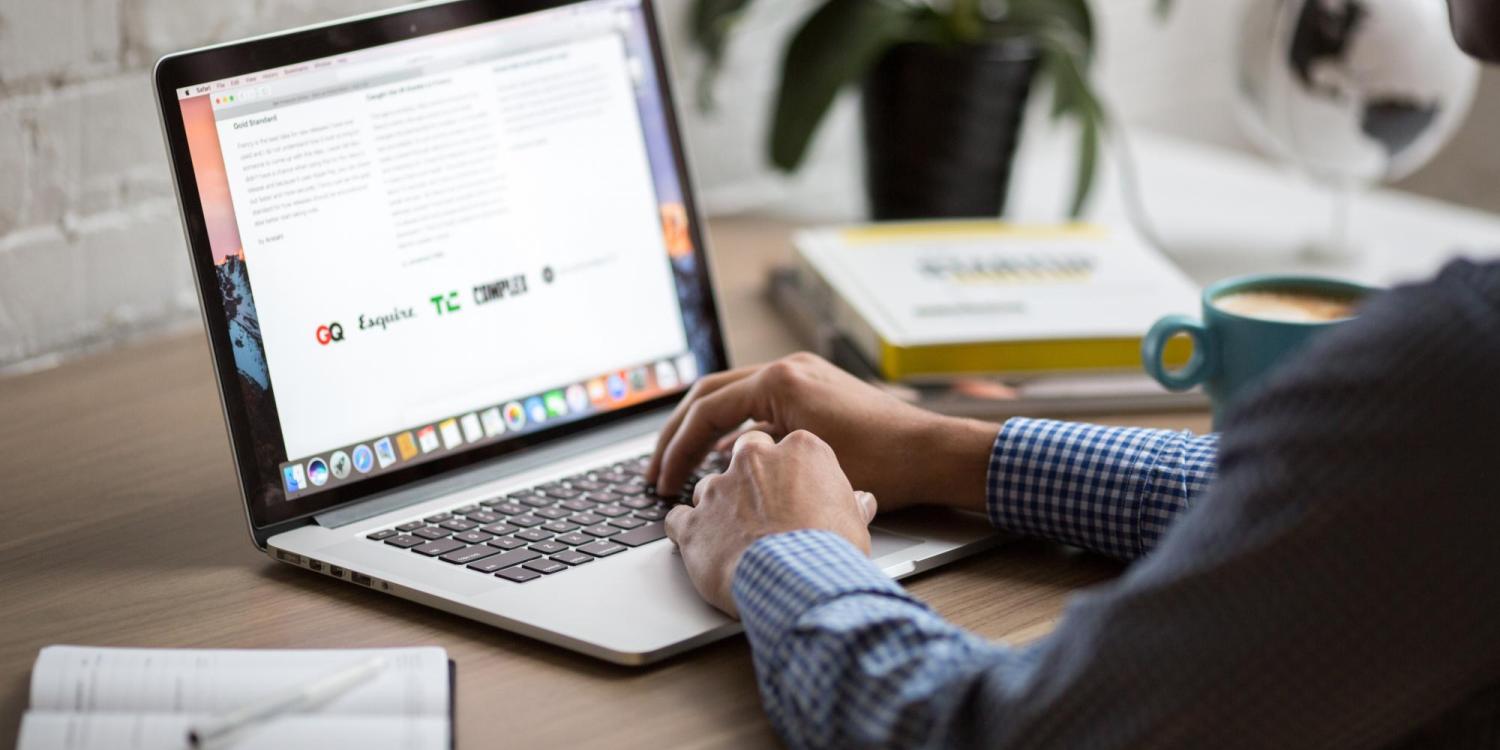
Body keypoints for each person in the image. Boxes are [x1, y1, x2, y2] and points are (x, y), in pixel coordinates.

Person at [647, 4, 1500, 747]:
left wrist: (789, 552)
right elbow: (1346, 501)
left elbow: (986, 733)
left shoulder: (1455, 367)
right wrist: (949, 451)